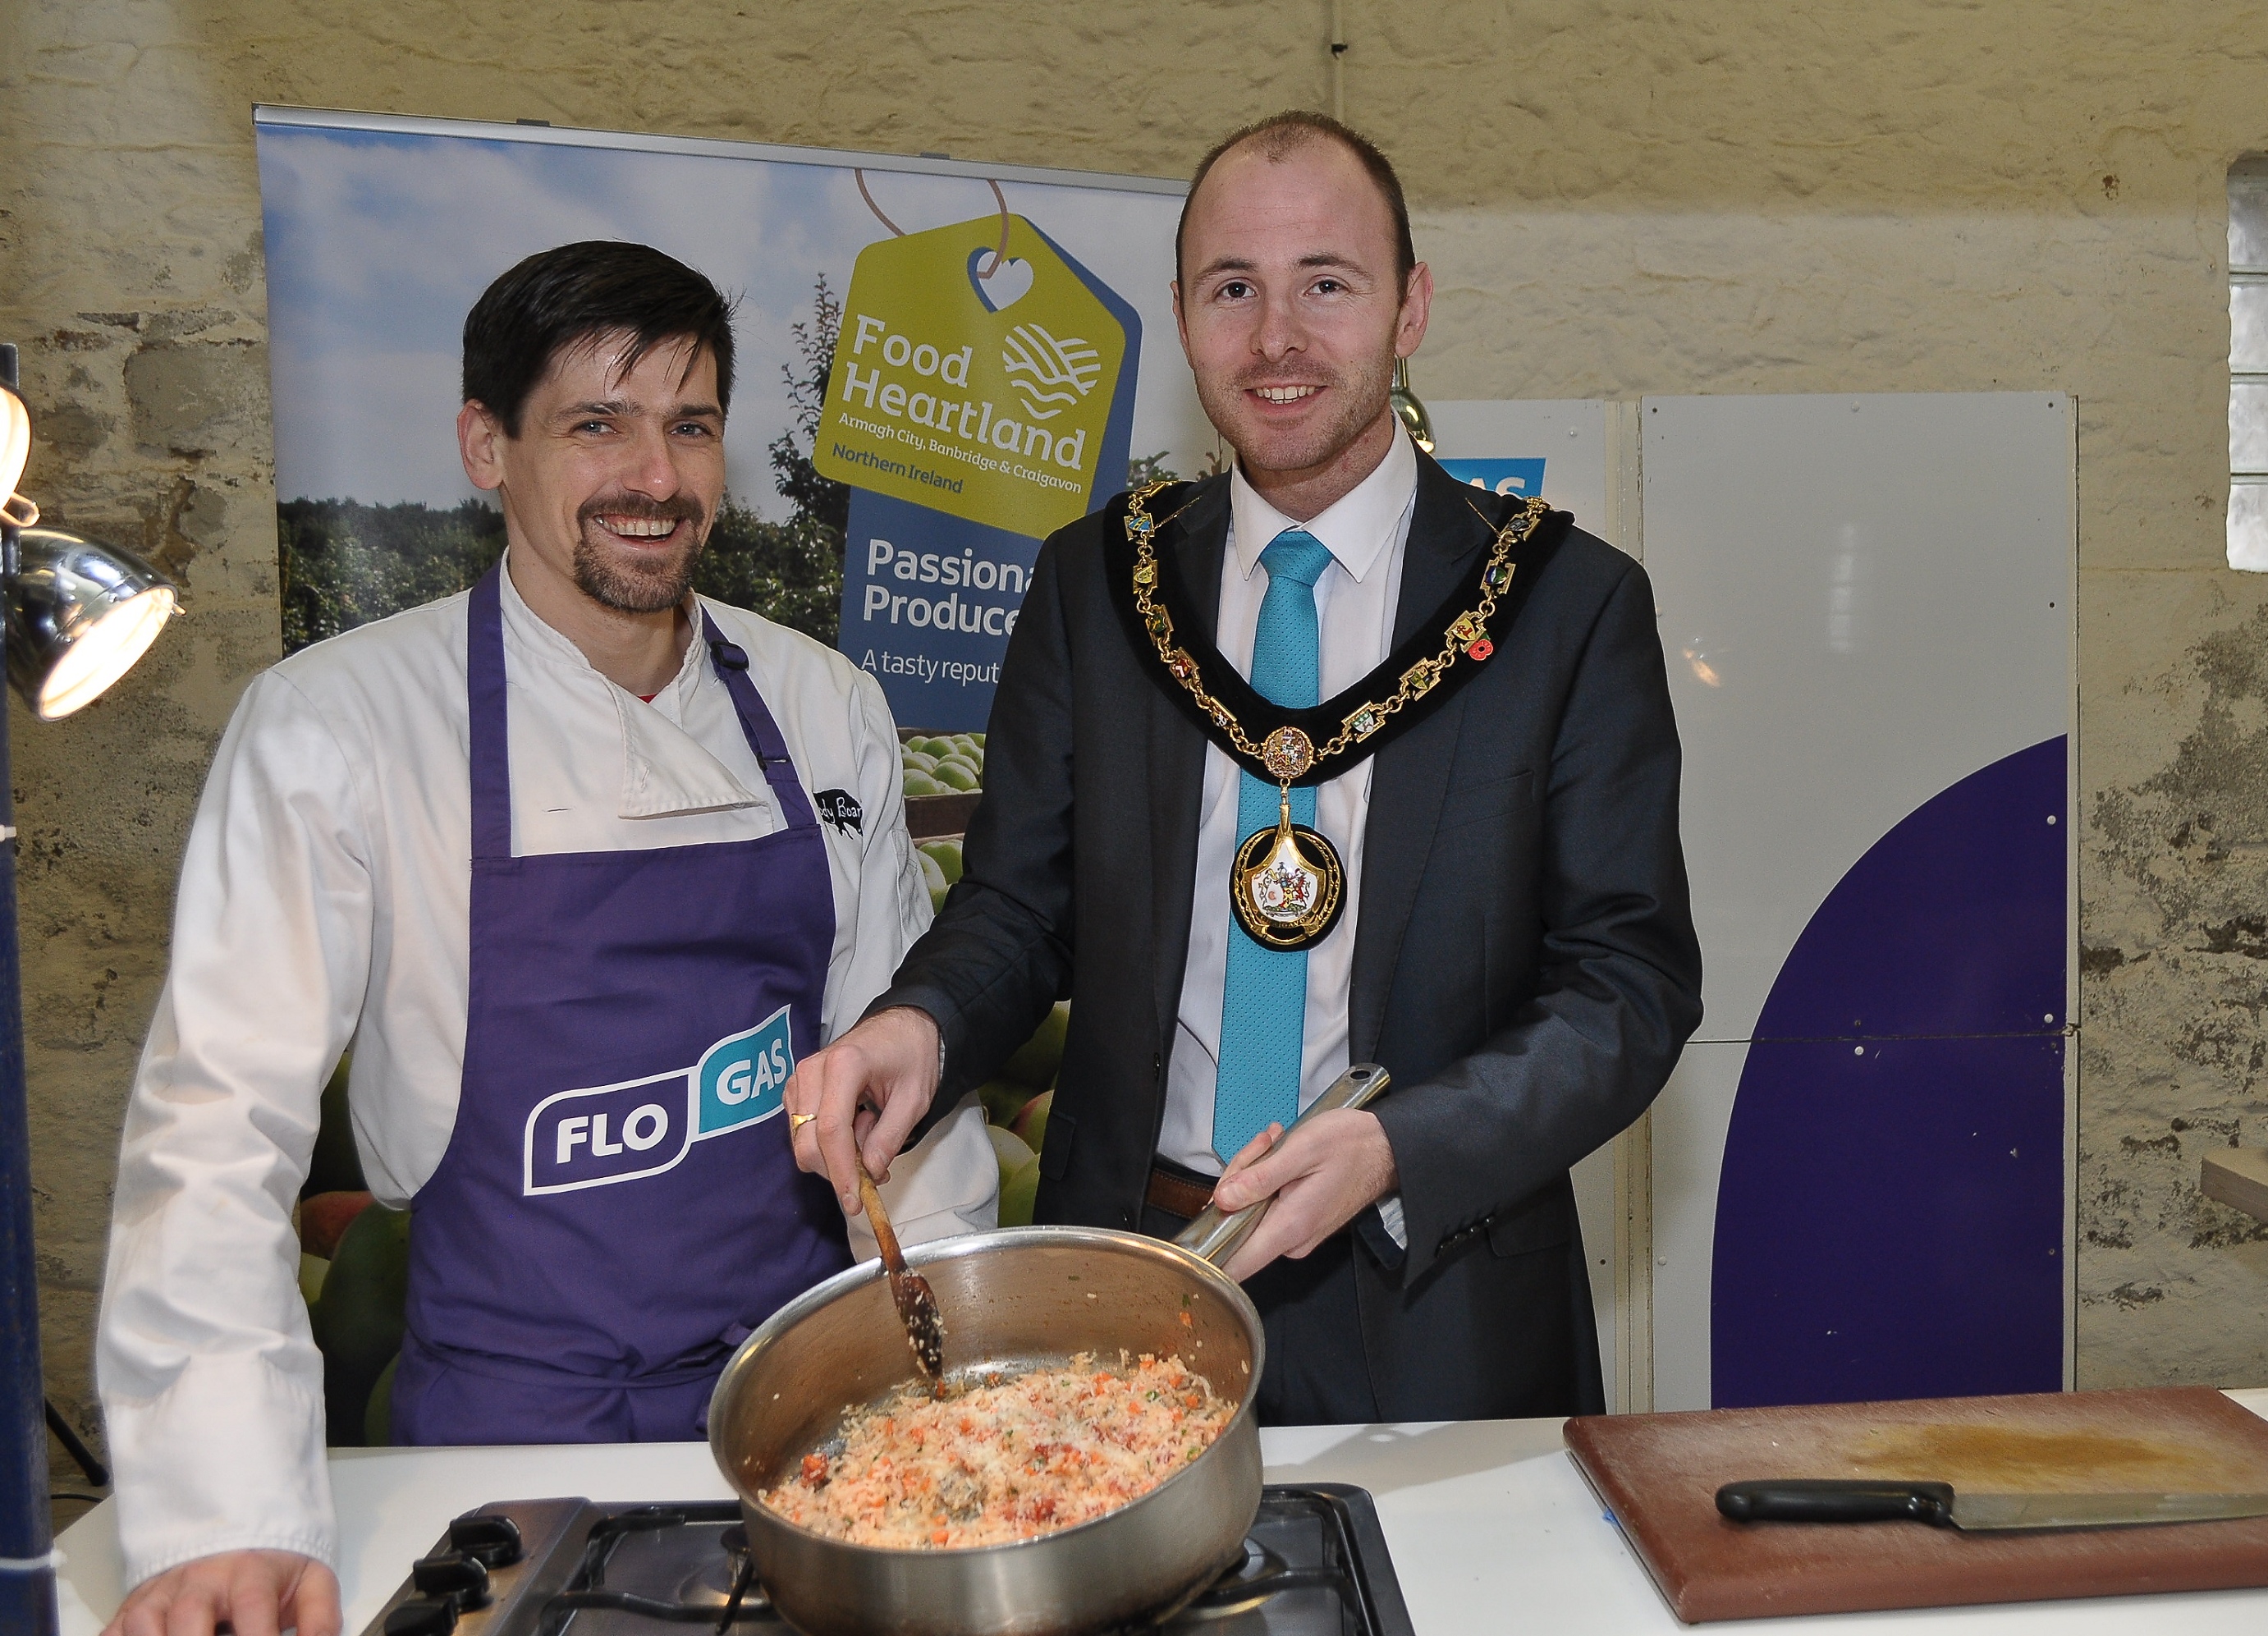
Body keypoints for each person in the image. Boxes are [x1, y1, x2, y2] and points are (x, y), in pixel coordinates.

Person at [96, 241, 996, 1636]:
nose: (657, 476)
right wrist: (222, 1513)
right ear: (484, 444)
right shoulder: (343, 724)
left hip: (813, 1425)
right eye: (597, 424)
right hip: (496, 1452)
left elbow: (910, 1112)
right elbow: (214, 1130)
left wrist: (960, 1403)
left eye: (689, 425)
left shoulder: (824, 706)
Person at [791, 113, 1701, 1426]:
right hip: (1126, 1280)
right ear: (1181, 314)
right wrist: (914, 1025)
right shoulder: (1095, 584)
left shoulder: (1566, 605)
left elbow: (1629, 987)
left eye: (1326, 284)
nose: (1277, 338)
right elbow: (1016, 909)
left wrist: (1400, 1145)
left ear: (1410, 307)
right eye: (1234, 290)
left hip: (1435, 1286)